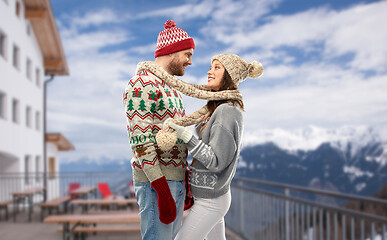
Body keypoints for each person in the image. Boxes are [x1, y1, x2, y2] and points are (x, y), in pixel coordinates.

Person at [123, 20, 244, 240]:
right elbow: (140, 141)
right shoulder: (141, 84)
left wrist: (184, 177)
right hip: (157, 183)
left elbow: (176, 137)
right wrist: (160, 187)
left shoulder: (174, 90)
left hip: (176, 181)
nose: (190, 61)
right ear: (172, 51)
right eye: (187, 54)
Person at [164, 54, 264, 240]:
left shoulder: (227, 111)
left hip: (211, 201)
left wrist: (186, 136)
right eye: (211, 67)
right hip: (209, 197)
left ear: (230, 76)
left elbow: (216, 161)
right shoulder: (218, 107)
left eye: (217, 67)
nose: (210, 71)